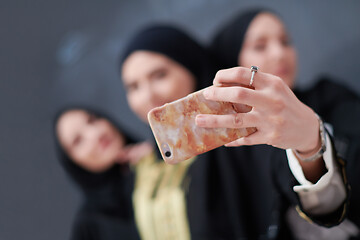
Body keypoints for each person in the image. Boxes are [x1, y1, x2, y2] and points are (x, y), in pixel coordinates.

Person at [120, 25, 348, 239]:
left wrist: (309, 143)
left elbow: (323, 203)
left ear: (191, 68)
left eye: (159, 75)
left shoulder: (241, 133)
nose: (147, 95)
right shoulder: (145, 167)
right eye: (133, 87)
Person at [205, 9, 360, 239]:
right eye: (260, 46)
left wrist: (311, 142)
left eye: (285, 41)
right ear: (232, 61)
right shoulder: (224, 147)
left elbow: (335, 201)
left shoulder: (331, 97)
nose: (279, 53)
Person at [54, 107, 152, 240]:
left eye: (92, 120)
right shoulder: (89, 225)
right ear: (73, 163)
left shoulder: (163, 161)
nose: (95, 134)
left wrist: (159, 156)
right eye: (78, 140)